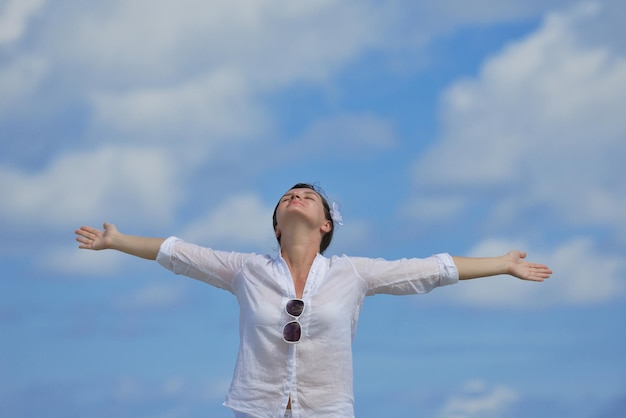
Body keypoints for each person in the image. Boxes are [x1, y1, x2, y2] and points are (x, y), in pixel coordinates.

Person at [75, 182, 552, 418]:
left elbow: (430, 270)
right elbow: (177, 253)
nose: (296, 197)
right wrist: (117, 241)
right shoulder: (248, 270)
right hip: (256, 408)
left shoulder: (352, 273)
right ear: (278, 223)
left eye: (307, 196)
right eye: (288, 196)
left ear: (326, 225)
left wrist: (502, 262)